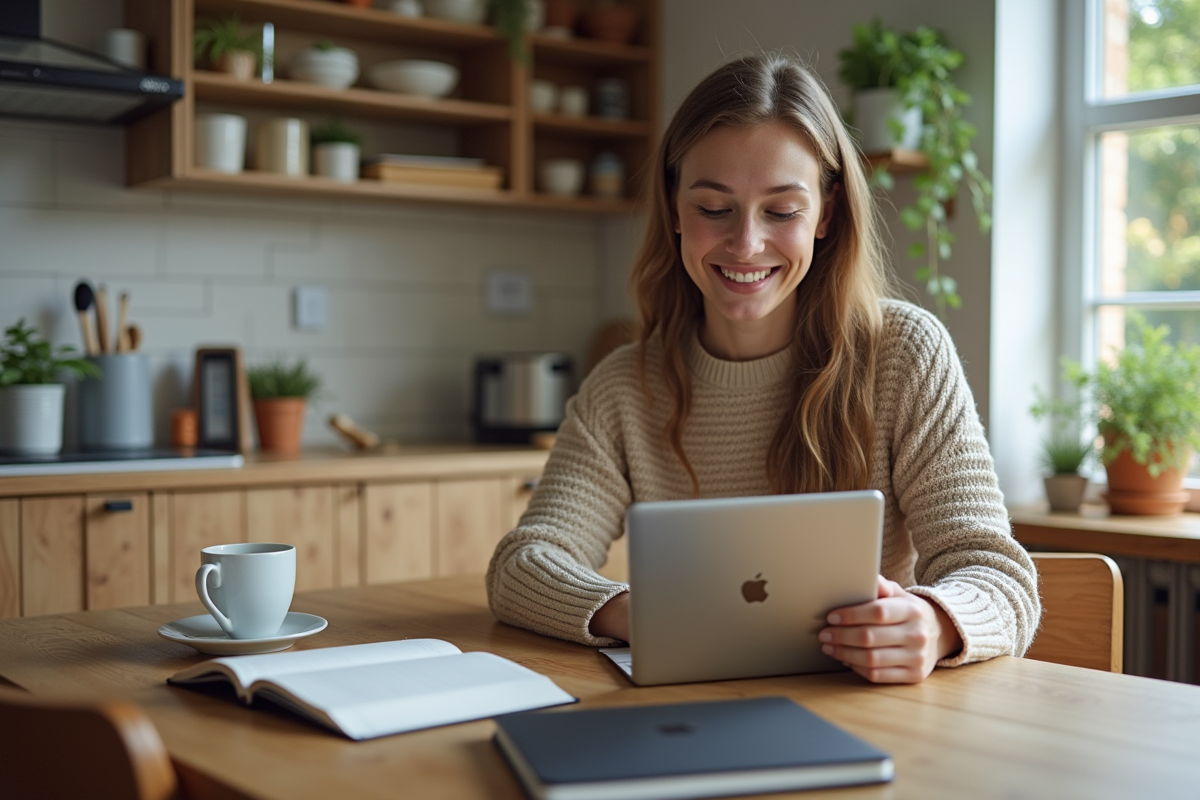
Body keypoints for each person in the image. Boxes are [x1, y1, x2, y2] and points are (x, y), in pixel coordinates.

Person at [486, 53, 1040, 685]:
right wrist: (637, 614)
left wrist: (936, 622)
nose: (746, 244)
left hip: (870, 713)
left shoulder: (906, 355)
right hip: (681, 715)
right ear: (672, 208)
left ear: (826, 215)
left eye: (781, 211)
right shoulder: (625, 386)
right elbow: (523, 565)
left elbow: (997, 573)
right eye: (713, 208)